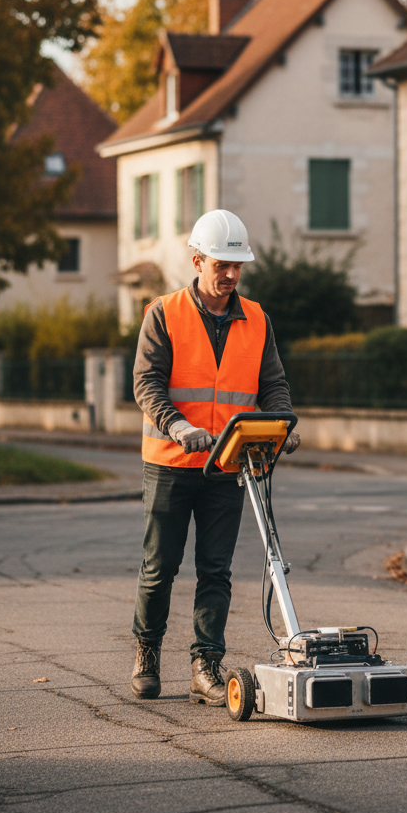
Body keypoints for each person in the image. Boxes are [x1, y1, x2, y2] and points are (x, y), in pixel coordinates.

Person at [129, 209, 300, 705]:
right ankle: (146, 651)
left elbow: (274, 385)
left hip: (228, 465)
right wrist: (177, 425)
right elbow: (147, 384)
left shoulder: (257, 318)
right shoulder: (164, 312)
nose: (230, 275)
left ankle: (205, 663)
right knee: (159, 568)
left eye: (237, 266)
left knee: (216, 570)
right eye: (221, 264)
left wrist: (283, 423)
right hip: (169, 463)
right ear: (198, 260)